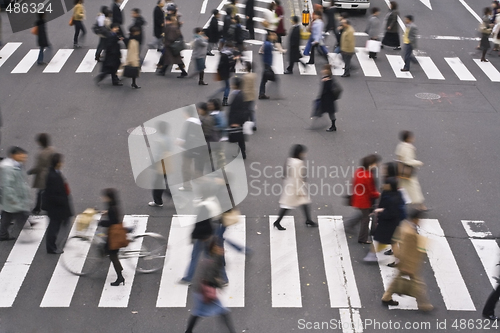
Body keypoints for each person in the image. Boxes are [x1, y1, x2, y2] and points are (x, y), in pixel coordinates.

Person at [381, 210, 433, 312]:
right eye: (419, 219)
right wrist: (407, 265)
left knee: (396, 281)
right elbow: (407, 250)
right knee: (418, 283)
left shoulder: (405, 225)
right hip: (408, 264)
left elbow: (395, 241)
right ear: (415, 219)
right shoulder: (410, 233)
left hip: (404, 262)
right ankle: (424, 304)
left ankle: (386, 297)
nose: (419, 221)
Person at [183, 237, 237, 333]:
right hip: (204, 292)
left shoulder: (211, 259)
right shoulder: (212, 262)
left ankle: (188, 331)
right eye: (219, 247)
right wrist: (218, 284)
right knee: (221, 312)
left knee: (199, 313)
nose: (222, 249)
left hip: (202, 291)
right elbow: (210, 277)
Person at [272, 144, 317, 230]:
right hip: (295, 187)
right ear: (299, 153)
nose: (305, 154)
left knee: (303, 203)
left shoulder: (290, 160)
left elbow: (285, 174)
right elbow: (298, 177)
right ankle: (277, 222)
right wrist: (300, 191)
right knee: (287, 206)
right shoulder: (299, 163)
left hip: (290, 185)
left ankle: (308, 220)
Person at [363, 177, 405, 262]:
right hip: (389, 223)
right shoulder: (395, 194)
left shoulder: (393, 198)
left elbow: (391, 213)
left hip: (390, 225)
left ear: (390, 186)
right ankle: (372, 254)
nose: (383, 185)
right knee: (385, 240)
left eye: (386, 184)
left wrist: (381, 211)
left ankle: (399, 261)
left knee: (390, 242)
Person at [344, 154, 381, 244]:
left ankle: (351, 224)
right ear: (371, 164)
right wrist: (379, 194)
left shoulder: (359, 171)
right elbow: (371, 191)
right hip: (364, 201)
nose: (377, 165)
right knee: (365, 220)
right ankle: (362, 238)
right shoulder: (368, 176)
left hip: (358, 198)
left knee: (363, 215)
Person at [43, 153, 73, 254]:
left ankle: (52, 245)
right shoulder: (53, 176)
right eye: (61, 162)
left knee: (55, 226)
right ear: (58, 163)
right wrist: (63, 201)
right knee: (53, 228)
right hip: (56, 208)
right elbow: (53, 194)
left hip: (56, 207)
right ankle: (51, 247)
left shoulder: (54, 173)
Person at [0, 147, 32, 241]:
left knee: (7, 216)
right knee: (20, 215)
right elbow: (7, 186)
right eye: (21, 155)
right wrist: (13, 199)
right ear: (14, 155)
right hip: (13, 199)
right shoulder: (9, 169)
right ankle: (27, 235)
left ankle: (2, 234)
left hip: (14, 198)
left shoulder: (17, 165)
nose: (23, 157)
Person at [98, 188, 125, 286]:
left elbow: (112, 222)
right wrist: (106, 212)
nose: (102, 198)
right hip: (114, 234)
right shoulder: (113, 206)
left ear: (108, 198)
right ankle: (119, 274)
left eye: (104, 197)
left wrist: (101, 222)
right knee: (111, 253)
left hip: (114, 236)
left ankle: (120, 277)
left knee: (113, 256)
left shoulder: (112, 208)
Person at [395, 131, 427, 210]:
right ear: (408, 138)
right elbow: (408, 161)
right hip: (407, 172)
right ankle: (421, 205)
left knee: (399, 188)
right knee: (414, 188)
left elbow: (400, 157)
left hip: (400, 171)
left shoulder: (400, 146)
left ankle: (395, 203)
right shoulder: (408, 148)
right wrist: (418, 163)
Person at [177, 107, 206, 192]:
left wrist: (178, 143)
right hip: (200, 149)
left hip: (188, 150)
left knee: (186, 167)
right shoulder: (199, 122)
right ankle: (204, 189)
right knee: (198, 169)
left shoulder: (188, 122)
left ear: (186, 113)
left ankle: (187, 186)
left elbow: (183, 138)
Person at [27, 133, 55, 215]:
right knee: (49, 191)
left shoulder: (41, 154)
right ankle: (48, 206)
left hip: (43, 175)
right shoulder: (52, 150)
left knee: (40, 192)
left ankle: (37, 208)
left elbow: (39, 166)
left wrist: (31, 171)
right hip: (51, 173)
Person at [148, 121, 173, 207]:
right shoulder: (168, 138)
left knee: (158, 183)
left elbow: (158, 154)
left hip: (161, 164)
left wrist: (152, 164)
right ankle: (158, 200)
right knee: (161, 182)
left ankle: (158, 201)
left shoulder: (160, 140)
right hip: (168, 162)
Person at [312, 65, 338, 132]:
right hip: (326, 100)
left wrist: (326, 81)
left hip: (327, 100)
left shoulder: (328, 80)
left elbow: (328, 90)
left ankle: (332, 126)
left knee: (329, 113)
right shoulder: (327, 78)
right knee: (328, 112)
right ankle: (332, 126)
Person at [227, 77, 248, 159]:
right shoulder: (240, 94)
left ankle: (241, 153)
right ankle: (242, 152)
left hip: (236, 121)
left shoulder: (238, 96)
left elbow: (239, 110)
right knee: (240, 138)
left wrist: (236, 121)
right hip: (237, 120)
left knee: (237, 137)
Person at [215, 41, 236, 106]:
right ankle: (224, 100)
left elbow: (219, 65)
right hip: (226, 72)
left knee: (226, 86)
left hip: (222, 72)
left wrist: (218, 70)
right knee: (227, 87)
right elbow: (232, 63)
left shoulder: (223, 54)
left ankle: (220, 97)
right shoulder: (230, 54)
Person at [258, 32, 276, 100]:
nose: (273, 36)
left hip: (266, 64)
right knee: (273, 79)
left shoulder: (267, 43)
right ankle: (263, 93)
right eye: (272, 35)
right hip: (267, 64)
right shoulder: (268, 44)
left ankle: (261, 93)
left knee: (264, 80)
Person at [241, 61, 256, 129]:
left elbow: (244, 86)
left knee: (245, 111)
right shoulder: (253, 75)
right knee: (251, 111)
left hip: (246, 96)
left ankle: (245, 123)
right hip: (252, 95)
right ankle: (254, 124)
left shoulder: (245, 76)